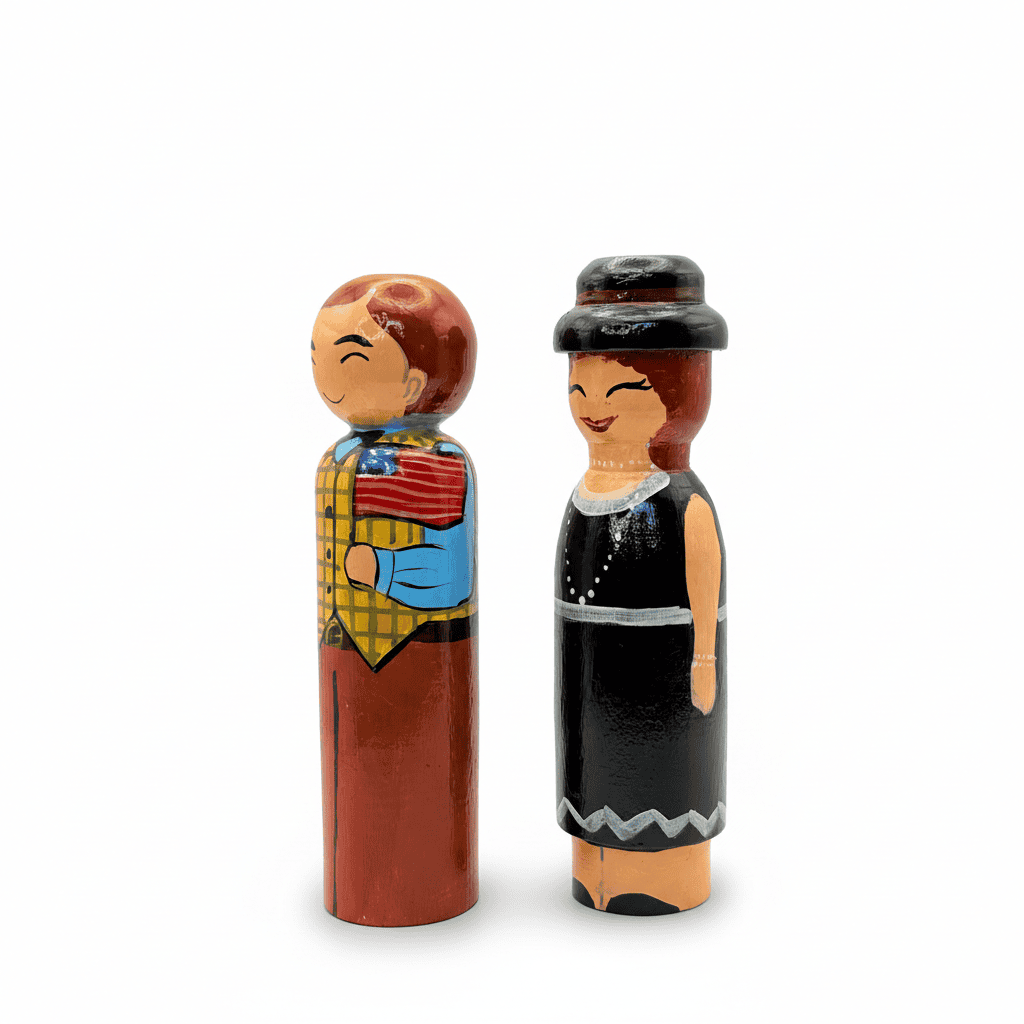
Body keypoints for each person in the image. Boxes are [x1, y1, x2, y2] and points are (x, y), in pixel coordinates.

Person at [554, 255, 728, 915]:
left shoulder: (682, 500)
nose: (594, 408)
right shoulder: (585, 494)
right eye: (581, 388)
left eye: (621, 390)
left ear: (683, 390)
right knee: (592, 767)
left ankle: (664, 879)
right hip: (591, 674)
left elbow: (704, 591)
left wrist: (704, 660)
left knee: (663, 776)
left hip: (665, 671)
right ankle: (598, 870)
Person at [311, 274, 478, 926]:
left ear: (414, 383)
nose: (328, 374)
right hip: (342, 654)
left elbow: (452, 576)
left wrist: (382, 569)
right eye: (319, 356)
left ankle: (423, 887)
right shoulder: (336, 462)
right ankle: (358, 886)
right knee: (352, 786)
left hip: (423, 653)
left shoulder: (440, 463)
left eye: (350, 358)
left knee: (419, 789)